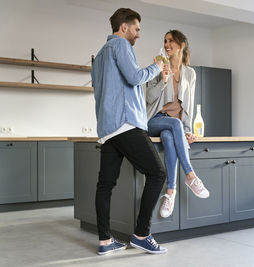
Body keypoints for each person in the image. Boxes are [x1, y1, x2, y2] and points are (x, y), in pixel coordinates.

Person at [92, 8, 168, 255]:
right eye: (136, 29)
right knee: (157, 173)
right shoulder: (121, 46)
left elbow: (104, 90)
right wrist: (156, 66)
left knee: (105, 185)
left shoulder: (100, 55)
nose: (138, 35)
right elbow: (135, 78)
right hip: (126, 124)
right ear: (123, 27)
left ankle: (105, 241)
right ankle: (142, 234)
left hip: (107, 129)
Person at [146, 30, 210, 219]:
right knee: (173, 124)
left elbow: (189, 103)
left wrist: (187, 131)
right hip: (154, 120)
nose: (167, 44)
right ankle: (190, 176)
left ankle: (170, 193)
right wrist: (163, 79)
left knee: (168, 136)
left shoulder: (190, 73)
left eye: (171, 41)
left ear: (181, 45)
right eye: (165, 41)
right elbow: (149, 98)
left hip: (173, 127)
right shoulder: (156, 68)